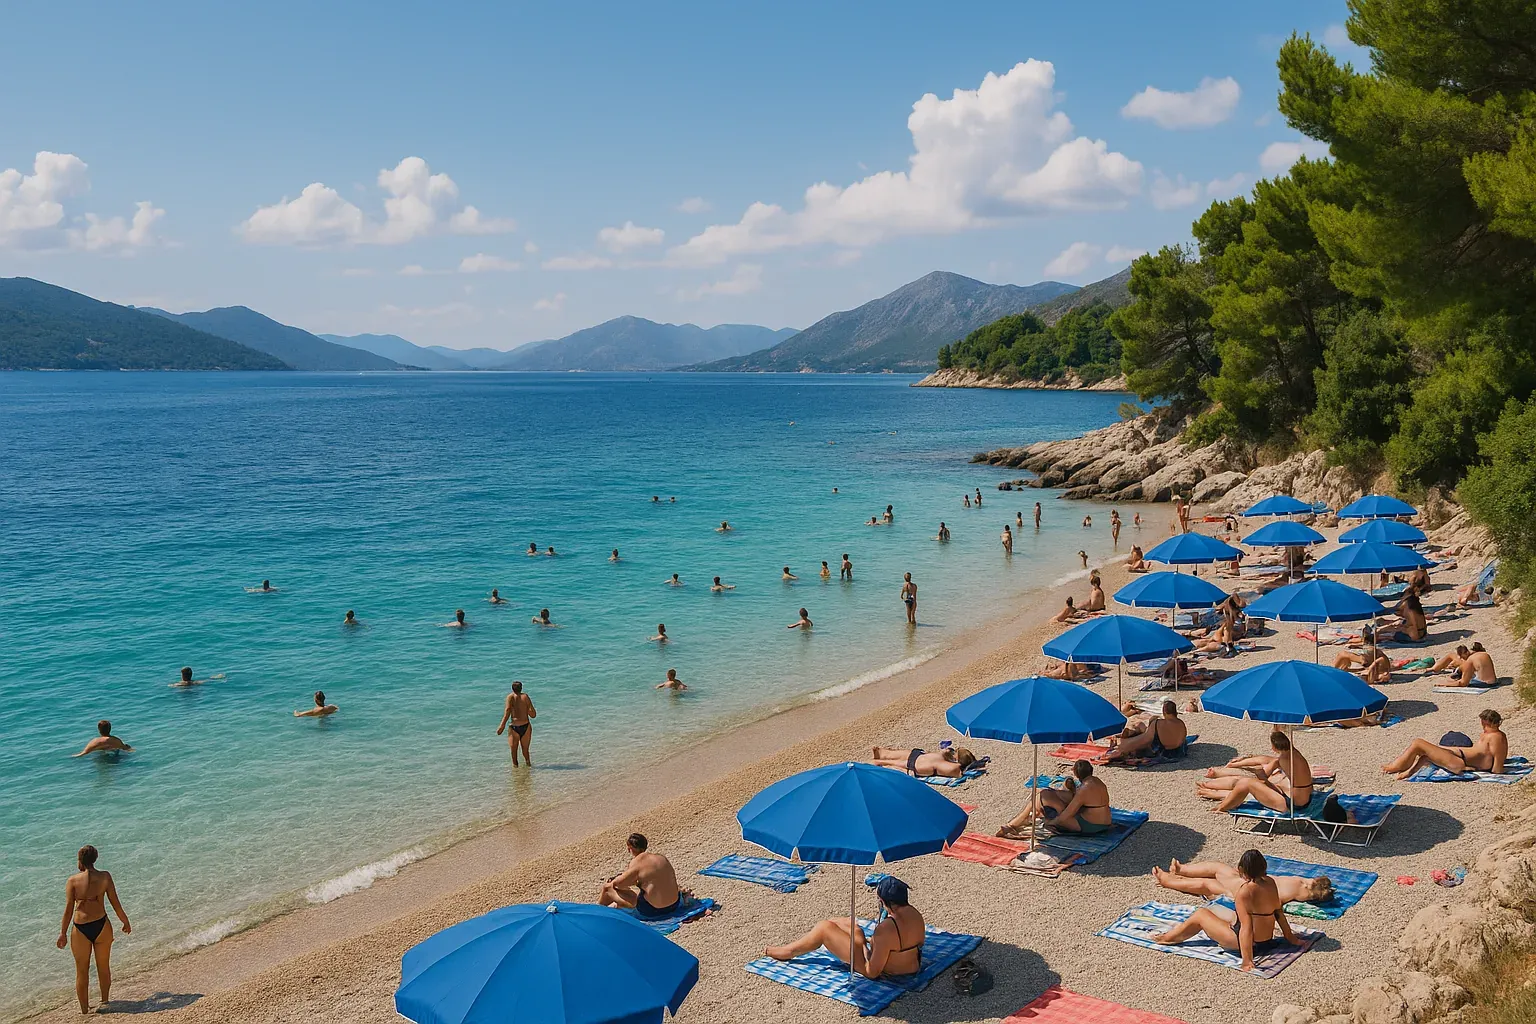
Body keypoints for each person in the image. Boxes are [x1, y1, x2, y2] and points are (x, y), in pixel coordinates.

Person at [1152, 849, 1298, 973]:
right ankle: (1175, 880)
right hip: (1267, 941)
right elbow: (1279, 914)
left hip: (1249, 944)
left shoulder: (1245, 892)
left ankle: (1167, 938)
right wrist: (1291, 938)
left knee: (1200, 915)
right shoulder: (1271, 883)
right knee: (1214, 909)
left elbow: (1246, 928)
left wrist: (1247, 960)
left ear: (1242, 871)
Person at [765, 875, 922, 978]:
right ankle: (823, 934)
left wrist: (873, 943)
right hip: (910, 966)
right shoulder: (916, 915)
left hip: (886, 969)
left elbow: (872, 972)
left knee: (824, 927)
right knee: (851, 925)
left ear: (883, 901)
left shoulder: (885, 929)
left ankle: (789, 951)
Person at [57, 845, 130, 1014]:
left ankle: (84, 1010)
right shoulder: (105, 877)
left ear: (80, 861)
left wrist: (62, 933)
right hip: (102, 925)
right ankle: (104, 1002)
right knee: (103, 967)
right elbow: (115, 902)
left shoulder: (72, 881)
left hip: (80, 929)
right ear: (95, 859)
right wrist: (125, 921)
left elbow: (68, 910)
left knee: (82, 971)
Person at [1198, 732, 1313, 812]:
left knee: (1246, 783)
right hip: (1304, 799)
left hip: (1293, 805)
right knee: (1262, 783)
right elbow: (1264, 777)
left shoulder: (1282, 759)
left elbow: (1263, 776)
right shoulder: (1294, 753)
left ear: (1274, 747)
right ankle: (1221, 800)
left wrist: (1253, 771)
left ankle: (1221, 808)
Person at [997, 758, 1111, 838]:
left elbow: (1065, 817)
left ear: (1076, 774)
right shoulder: (1097, 782)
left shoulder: (1083, 790)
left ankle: (1013, 824)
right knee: (1044, 795)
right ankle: (1017, 822)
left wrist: (1051, 822)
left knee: (1041, 796)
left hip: (1090, 826)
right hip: (1105, 821)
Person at [1382, 709, 1507, 779]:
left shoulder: (1497, 737)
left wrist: (1495, 773)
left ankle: (1397, 767)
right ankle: (1407, 771)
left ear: (1489, 722)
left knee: (1418, 743)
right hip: (1460, 757)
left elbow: (1498, 763)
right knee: (1424, 753)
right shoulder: (1488, 735)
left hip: (1460, 762)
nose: (1482, 725)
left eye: (1483, 723)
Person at [1154, 858, 1334, 906]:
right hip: (1251, 885)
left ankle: (1169, 880)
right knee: (1217, 872)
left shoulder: (1300, 889)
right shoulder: (1302, 885)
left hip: (1246, 891)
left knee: (1209, 881)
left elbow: (1274, 900)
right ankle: (1181, 871)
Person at [597, 834, 681, 918]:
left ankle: (597, 912)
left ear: (629, 848)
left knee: (607, 888)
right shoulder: (661, 858)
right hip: (675, 904)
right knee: (639, 890)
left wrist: (615, 879)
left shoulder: (637, 863)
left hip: (654, 910)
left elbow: (617, 884)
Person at [1108, 701, 1187, 761]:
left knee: (1139, 733)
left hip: (1163, 751)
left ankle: (1128, 734)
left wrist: (1123, 746)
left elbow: (1144, 740)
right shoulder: (1181, 723)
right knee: (1140, 725)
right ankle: (1132, 731)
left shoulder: (1159, 723)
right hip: (1178, 751)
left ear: (1164, 711)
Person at [870, 745, 977, 778]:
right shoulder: (951, 763)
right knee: (909, 754)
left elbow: (958, 774)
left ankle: (879, 761)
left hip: (922, 765)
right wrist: (945, 753)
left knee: (895, 763)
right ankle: (883, 754)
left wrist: (944, 754)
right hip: (922, 759)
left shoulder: (955, 768)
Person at [496, 681, 535, 765]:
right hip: (526, 726)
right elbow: (533, 715)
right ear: (521, 688)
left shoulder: (510, 697)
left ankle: (516, 773)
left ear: (512, 688)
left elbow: (507, 711)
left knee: (514, 752)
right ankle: (529, 767)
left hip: (514, 727)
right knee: (525, 751)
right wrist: (525, 709)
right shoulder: (525, 697)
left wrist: (501, 726)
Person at [1430, 643, 1497, 686]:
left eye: (1462, 657)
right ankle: (1432, 669)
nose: (1461, 659)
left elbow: (1463, 683)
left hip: (1483, 683)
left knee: (1449, 679)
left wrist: (1445, 684)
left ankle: (1432, 669)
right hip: (1493, 681)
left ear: (1466, 653)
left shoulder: (1469, 661)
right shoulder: (1483, 654)